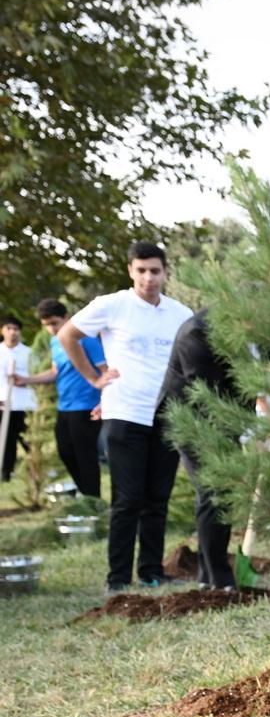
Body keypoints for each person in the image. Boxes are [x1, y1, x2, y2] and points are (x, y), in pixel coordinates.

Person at [59, 241, 195, 591]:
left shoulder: (180, 314)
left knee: (157, 498)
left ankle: (150, 571)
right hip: (124, 413)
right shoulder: (112, 305)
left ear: (165, 272)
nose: (148, 278)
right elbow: (67, 335)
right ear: (131, 271)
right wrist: (93, 378)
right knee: (127, 499)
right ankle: (117, 578)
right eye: (142, 271)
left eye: (155, 271)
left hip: (166, 415)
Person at [160, 310, 248, 590]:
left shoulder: (245, 330)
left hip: (224, 419)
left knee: (223, 494)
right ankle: (218, 578)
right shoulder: (196, 333)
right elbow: (206, 395)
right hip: (193, 422)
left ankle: (208, 575)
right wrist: (244, 427)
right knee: (213, 492)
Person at [19, 300, 107, 498]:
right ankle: (85, 494)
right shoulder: (54, 342)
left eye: (54, 323)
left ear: (67, 317)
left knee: (85, 456)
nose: (51, 328)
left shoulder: (86, 340)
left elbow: (105, 372)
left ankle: (93, 501)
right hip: (65, 406)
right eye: (46, 325)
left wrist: (104, 400)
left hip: (86, 406)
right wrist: (25, 379)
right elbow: (54, 373)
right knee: (65, 452)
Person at [0, 317, 37, 483]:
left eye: (16, 329)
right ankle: (6, 473)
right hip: (4, 404)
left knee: (30, 441)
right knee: (6, 442)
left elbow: (37, 375)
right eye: (9, 328)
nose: (12, 332)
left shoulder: (29, 353)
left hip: (25, 404)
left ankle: (35, 472)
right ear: (2, 330)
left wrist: (25, 380)